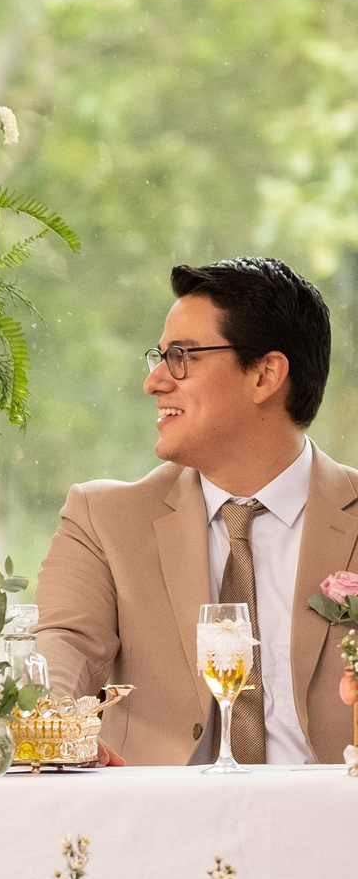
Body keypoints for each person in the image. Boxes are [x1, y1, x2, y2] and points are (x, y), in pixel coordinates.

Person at [36, 257, 357, 765]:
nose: (156, 382)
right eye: (159, 357)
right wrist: (55, 722)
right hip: (159, 827)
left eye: (182, 356)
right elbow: (63, 642)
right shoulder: (101, 518)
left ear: (266, 375)